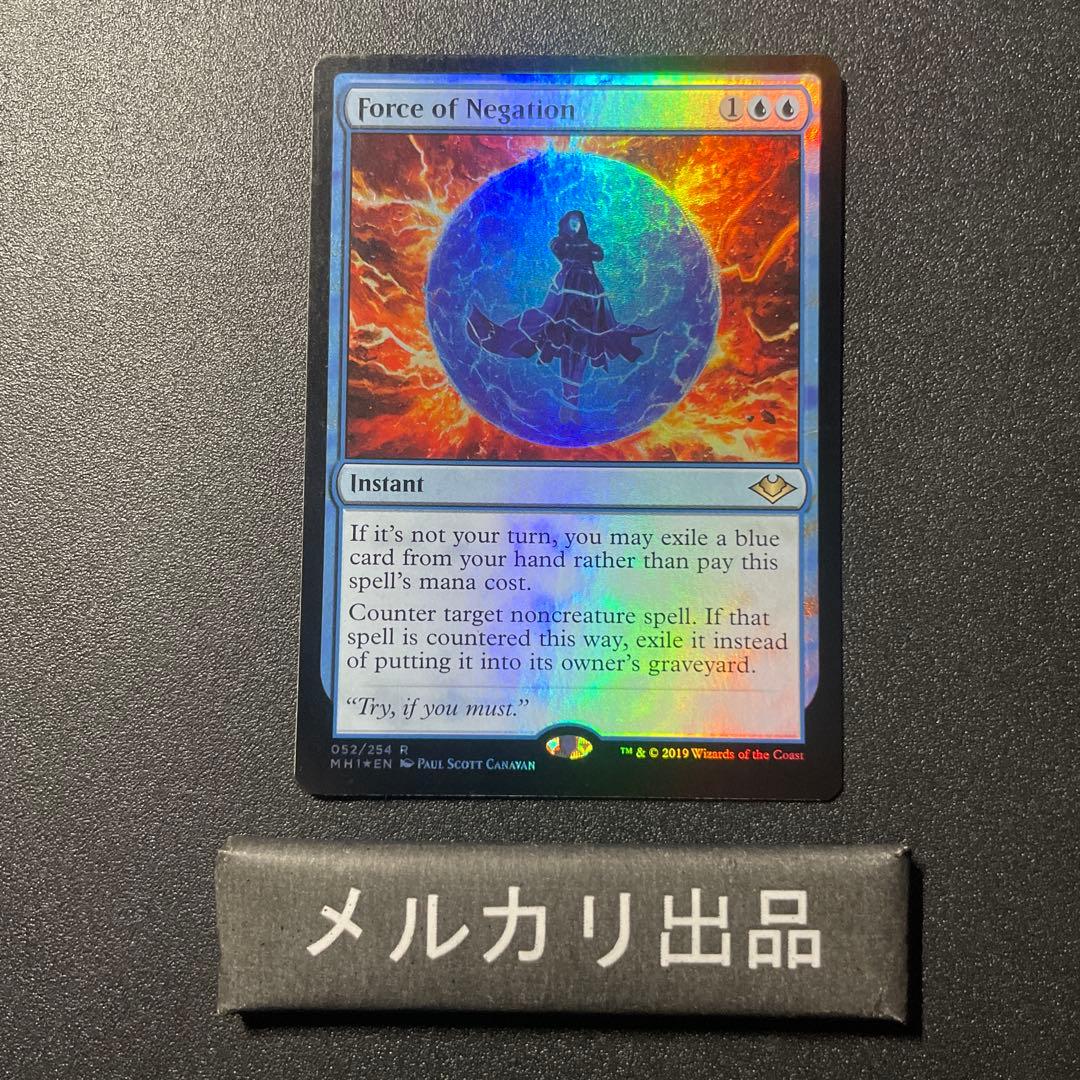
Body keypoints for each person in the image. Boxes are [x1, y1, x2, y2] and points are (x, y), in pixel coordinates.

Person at [466, 211, 653, 418]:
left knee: (584, 341)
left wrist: (585, 246)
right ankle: (567, 399)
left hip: (590, 291)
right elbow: (562, 251)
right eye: (572, 223)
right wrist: (582, 248)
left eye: (578, 223)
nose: (575, 226)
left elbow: (599, 254)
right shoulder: (561, 243)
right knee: (560, 334)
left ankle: (571, 403)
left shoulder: (586, 243)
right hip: (567, 289)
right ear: (565, 225)